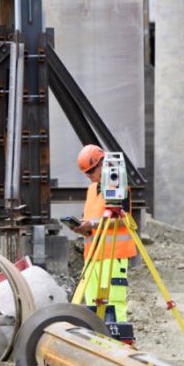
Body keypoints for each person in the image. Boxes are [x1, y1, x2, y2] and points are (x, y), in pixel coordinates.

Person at [71, 145, 136, 338]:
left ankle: (120, 342)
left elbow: (125, 219)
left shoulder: (118, 184)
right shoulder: (92, 189)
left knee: (114, 303)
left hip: (114, 255)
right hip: (92, 256)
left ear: (103, 164)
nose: (89, 176)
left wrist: (92, 223)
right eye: (86, 173)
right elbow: (92, 218)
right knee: (92, 304)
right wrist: (83, 226)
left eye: (91, 171)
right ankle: (98, 342)